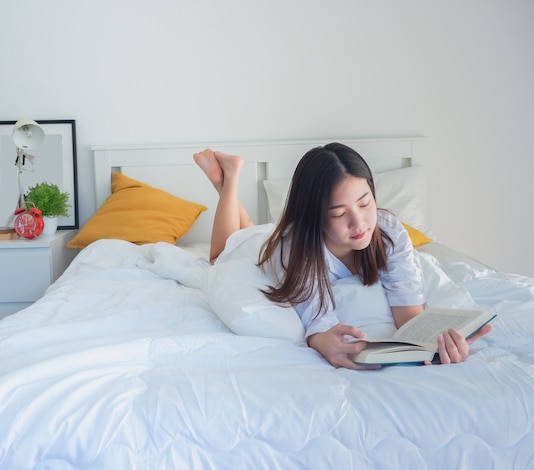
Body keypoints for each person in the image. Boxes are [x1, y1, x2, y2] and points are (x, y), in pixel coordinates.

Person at [193, 143, 493, 370]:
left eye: (365, 203)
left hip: (280, 235)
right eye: (339, 213)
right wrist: (323, 341)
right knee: (224, 253)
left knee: (251, 228)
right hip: (267, 249)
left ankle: (228, 186)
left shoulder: (388, 231)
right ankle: (228, 180)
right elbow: (318, 321)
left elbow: (409, 316)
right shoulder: (294, 249)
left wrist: (438, 345)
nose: (359, 223)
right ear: (314, 217)